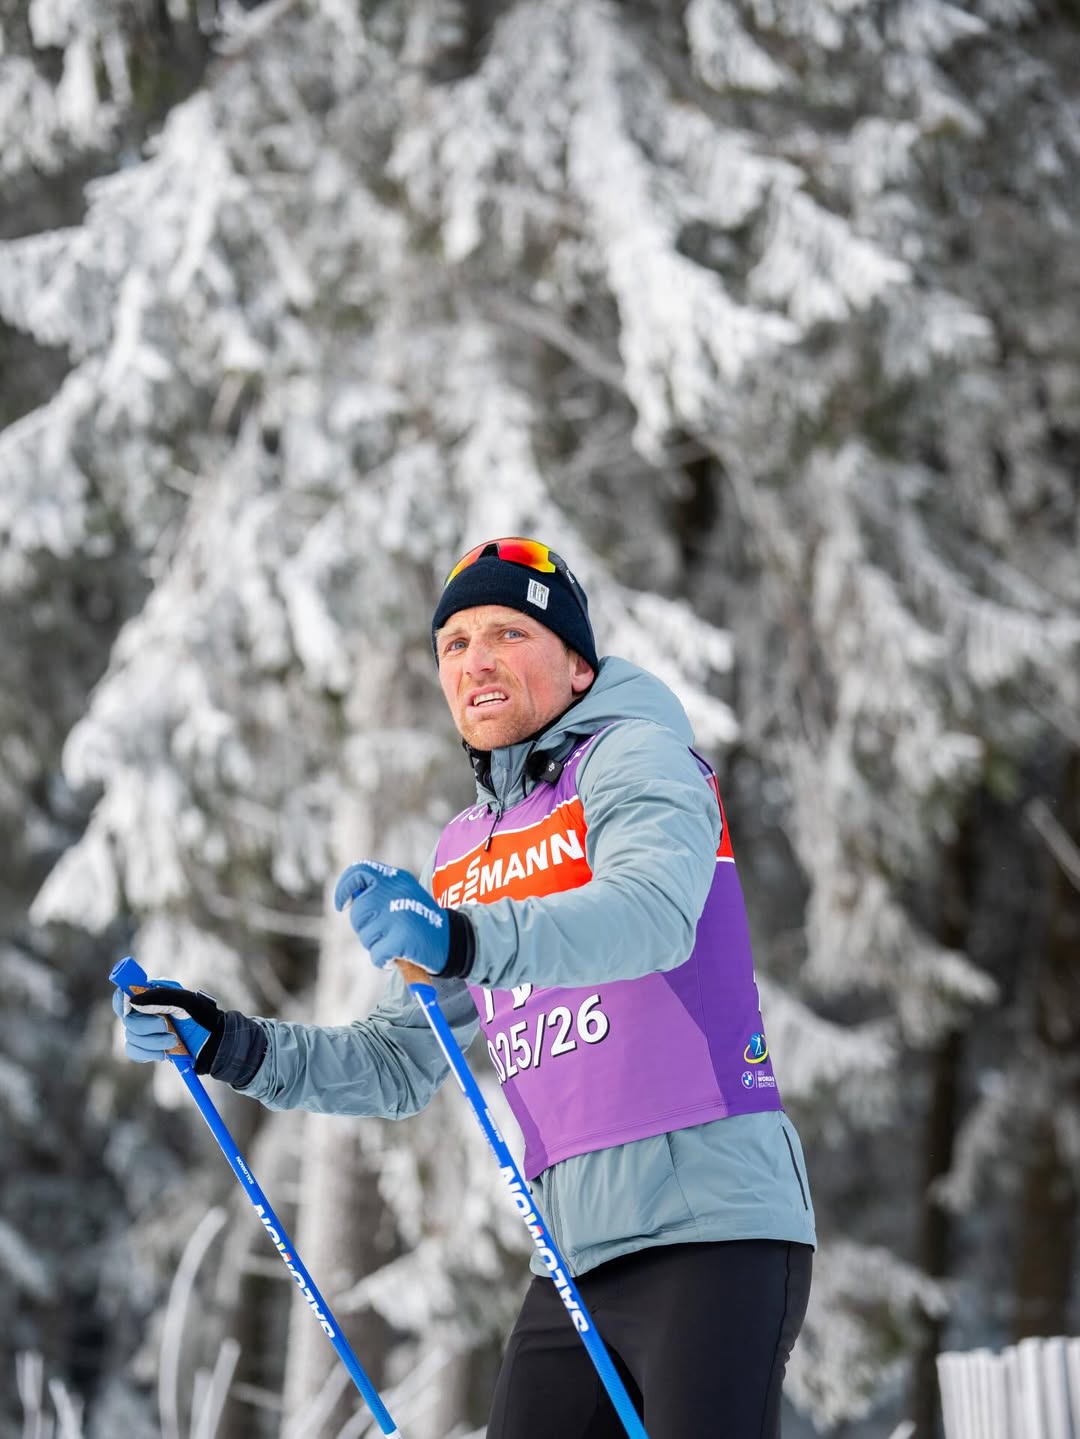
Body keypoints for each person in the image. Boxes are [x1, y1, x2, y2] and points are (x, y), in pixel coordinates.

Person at [115, 536, 816, 1438]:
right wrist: (225, 1042)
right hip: (571, 1262)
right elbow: (398, 1062)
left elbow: (650, 914)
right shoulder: (462, 852)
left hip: (713, 1232)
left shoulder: (638, 759)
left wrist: (460, 938)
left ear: (576, 664)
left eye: (508, 633)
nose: (476, 660)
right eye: (455, 643)